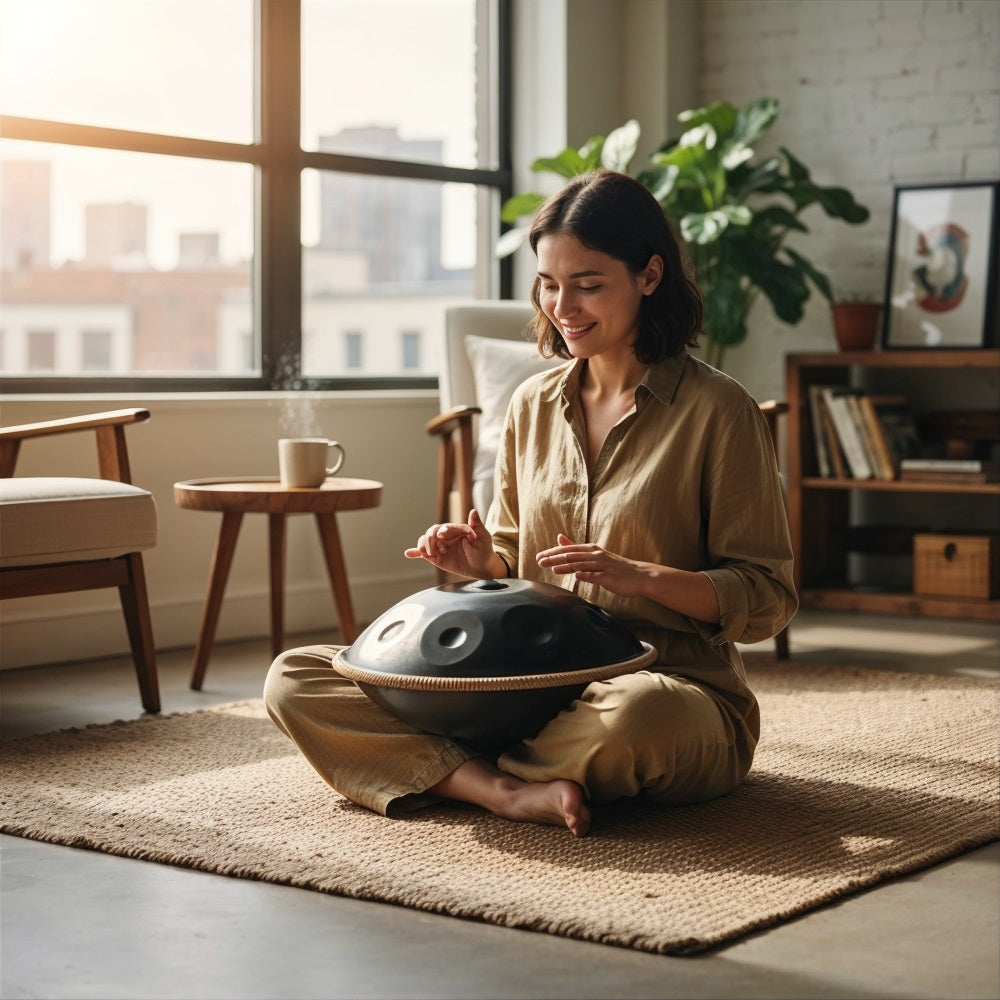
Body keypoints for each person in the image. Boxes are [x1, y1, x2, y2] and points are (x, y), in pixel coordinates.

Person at [264, 169, 797, 838]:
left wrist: (643, 578)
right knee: (297, 677)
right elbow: (516, 561)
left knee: (642, 717)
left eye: (587, 284)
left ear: (650, 276)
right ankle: (506, 791)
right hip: (523, 690)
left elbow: (767, 598)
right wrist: (484, 564)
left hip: (660, 688)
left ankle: (450, 767)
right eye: (548, 284)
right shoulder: (532, 404)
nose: (562, 307)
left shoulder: (721, 411)